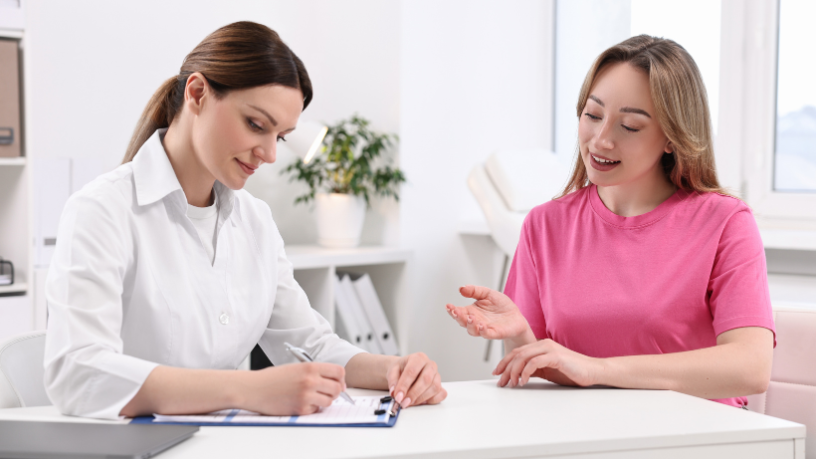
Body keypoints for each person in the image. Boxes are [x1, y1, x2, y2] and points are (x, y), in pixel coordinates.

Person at [44, 21, 445, 419]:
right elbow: (76, 372)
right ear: (198, 94)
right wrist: (246, 389)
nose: (270, 154)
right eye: (256, 125)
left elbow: (312, 344)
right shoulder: (103, 211)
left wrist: (393, 369)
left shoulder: (254, 220)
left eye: (282, 136)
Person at [446, 35, 774, 408]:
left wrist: (598, 370)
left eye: (630, 126)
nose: (601, 140)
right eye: (593, 115)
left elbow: (751, 367)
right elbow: (544, 370)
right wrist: (521, 337)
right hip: (588, 436)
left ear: (672, 137)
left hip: (695, 437)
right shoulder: (544, 225)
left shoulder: (725, 222)